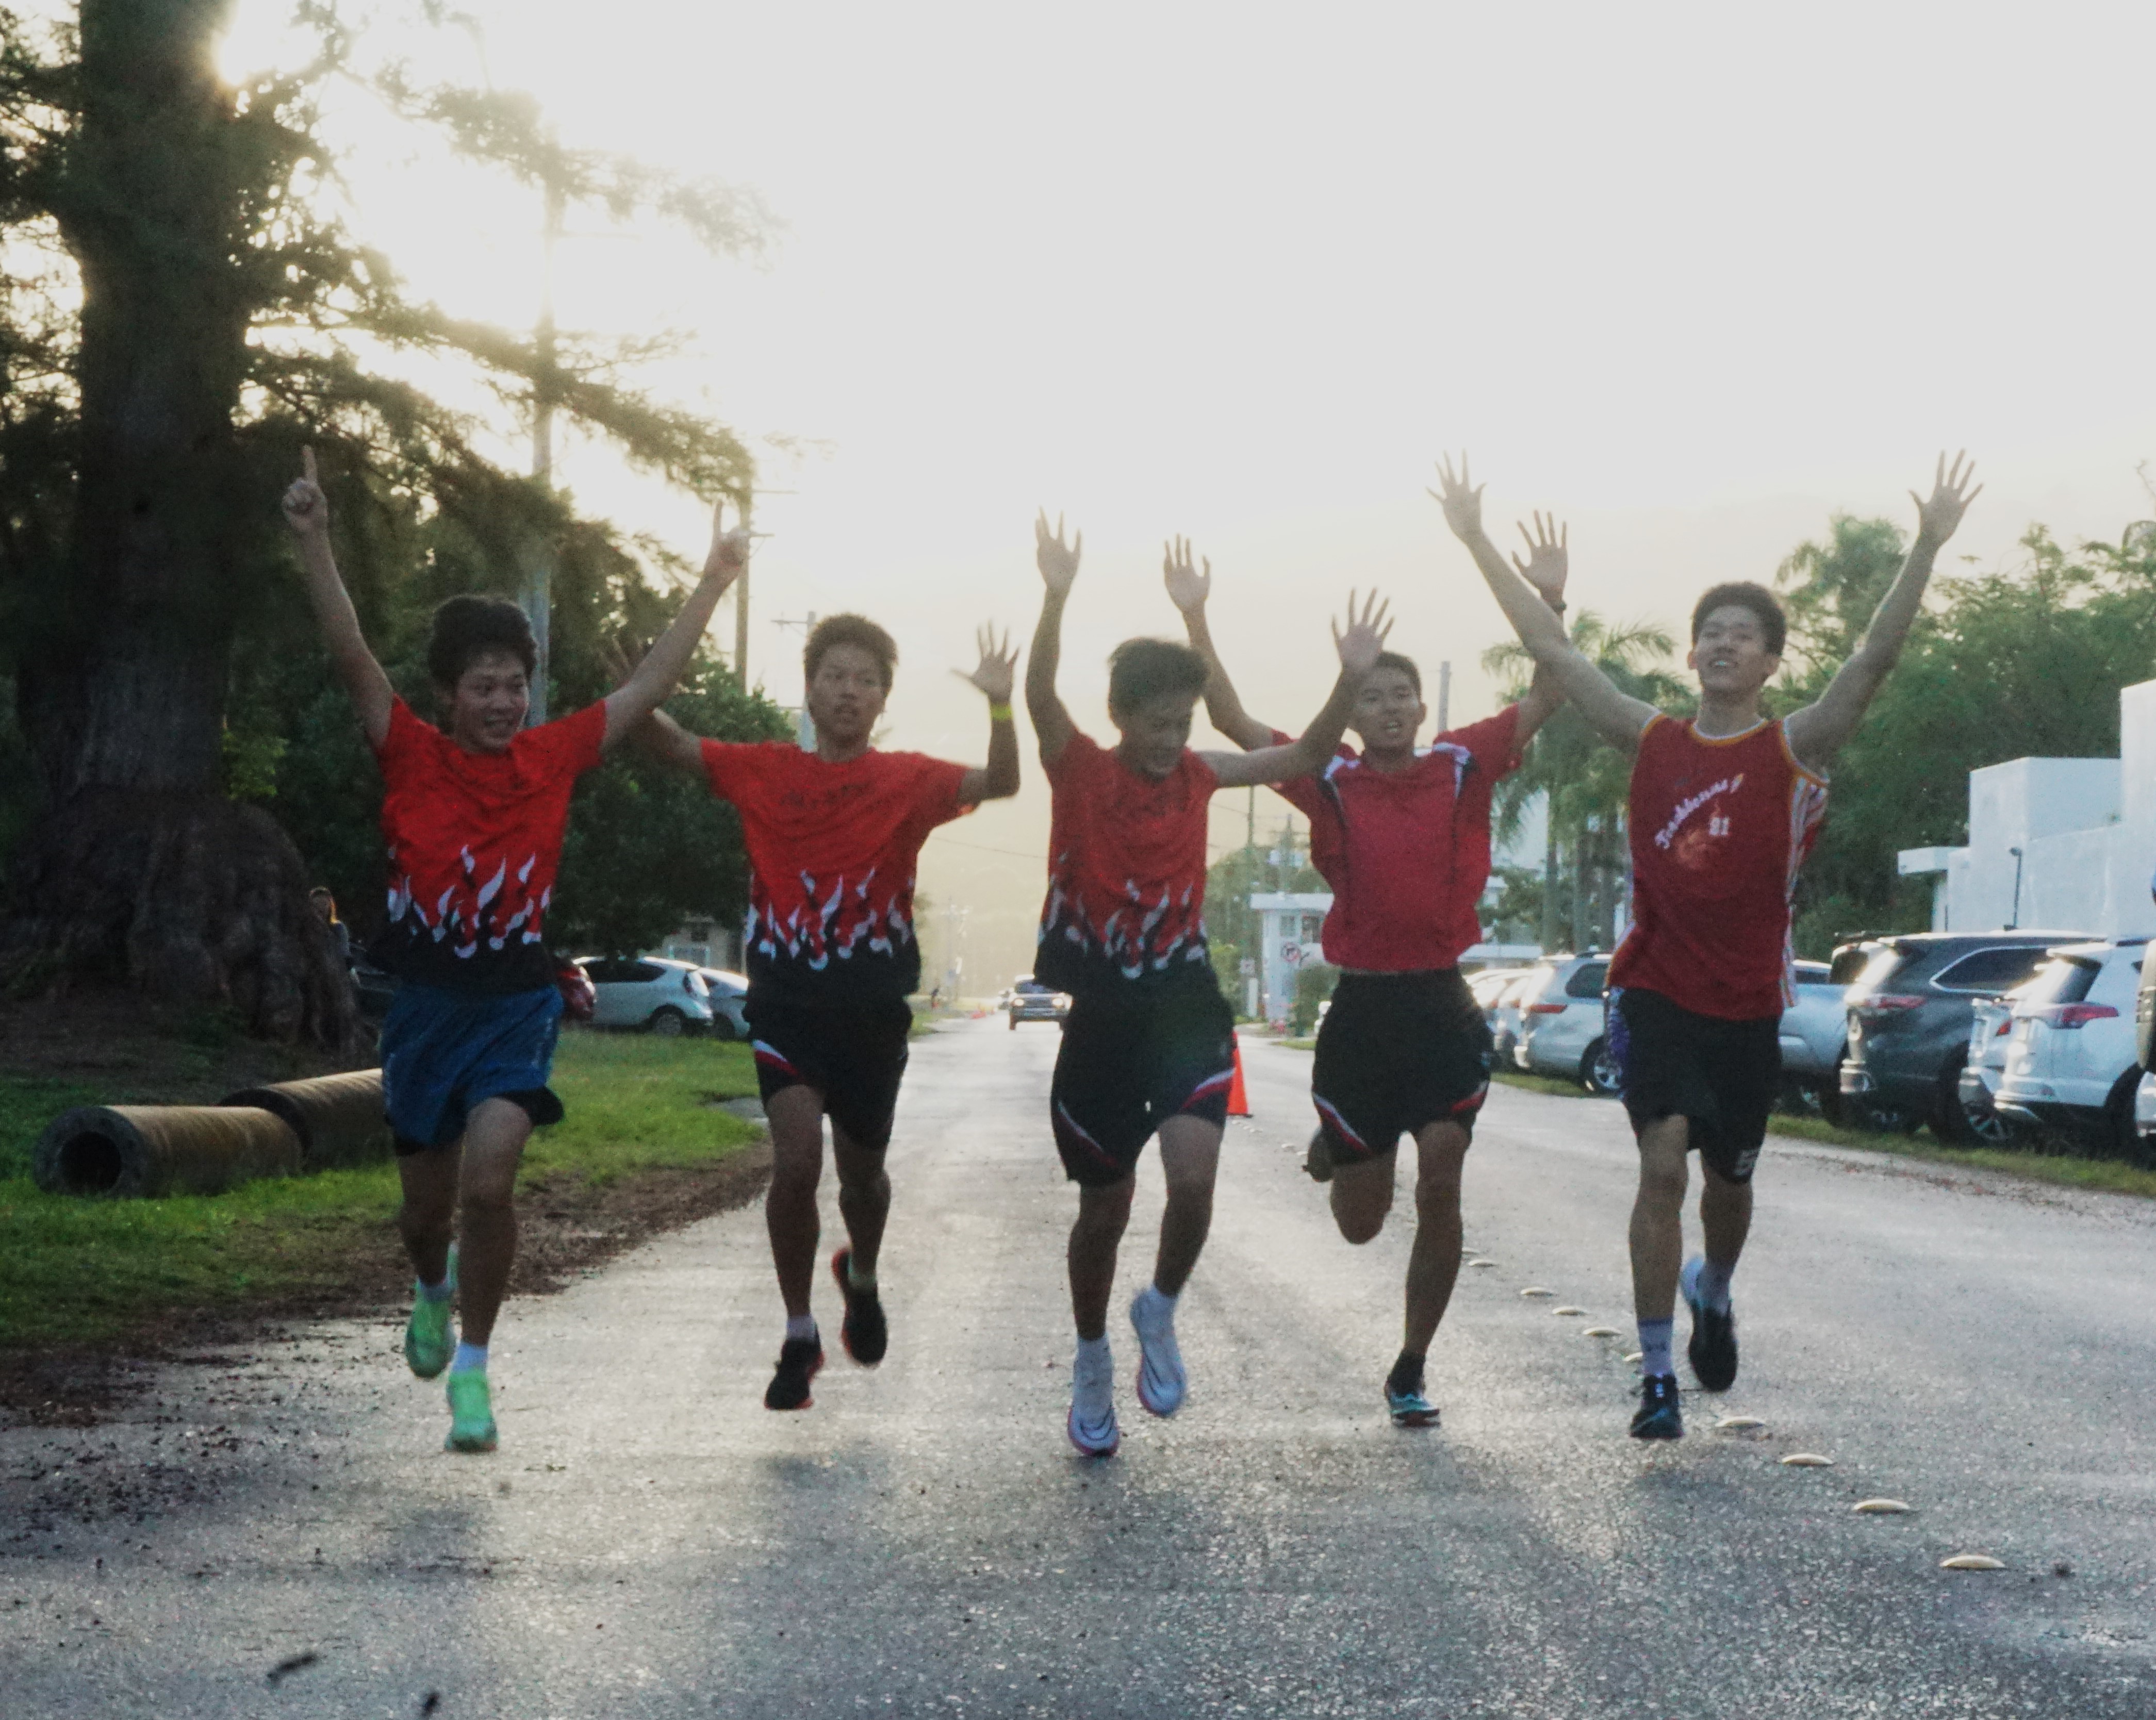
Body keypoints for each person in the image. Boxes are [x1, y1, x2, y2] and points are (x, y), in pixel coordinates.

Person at [1434, 451, 1981, 1440]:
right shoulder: (1648, 740)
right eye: (1710, 635)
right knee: (1662, 1163)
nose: (1723, 646)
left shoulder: (1789, 750)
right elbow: (1555, 658)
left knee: (1729, 1179)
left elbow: (1870, 664)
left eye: (1744, 636)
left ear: (1770, 661)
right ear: (1690, 657)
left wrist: (1927, 544)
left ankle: (1712, 1288)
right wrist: (1474, 536)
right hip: (1654, 992)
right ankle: (1653, 1379)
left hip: (1745, 1003)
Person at [283, 448, 745, 1453]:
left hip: (513, 1006)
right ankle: (431, 1289)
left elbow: (653, 683)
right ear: (450, 693)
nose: (505, 704)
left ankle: (478, 1371)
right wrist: (316, 540)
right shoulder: (407, 750)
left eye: (517, 686)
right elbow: (352, 652)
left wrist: (710, 584)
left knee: (491, 1182)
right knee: (424, 1214)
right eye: (485, 686)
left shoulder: (554, 755)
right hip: (424, 1014)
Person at [1167, 535, 1565, 1428]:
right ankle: (1338, 1145)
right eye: (1370, 696)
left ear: (1422, 708)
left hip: (1440, 1002)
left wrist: (1550, 599)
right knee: (1359, 1223)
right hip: (1362, 1011)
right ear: (1353, 710)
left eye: (1399, 696)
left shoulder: (1463, 763)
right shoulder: (1330, 776)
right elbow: (1231, 719)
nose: (1387, 709)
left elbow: (1551, 688)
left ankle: (1413, 1364)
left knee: (1444, 1178)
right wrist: (1194, 610)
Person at [1025, 511, 1389, 1457]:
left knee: (1191, 1187)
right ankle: (1092, 1355)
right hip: (1102, 1016)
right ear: (1120, 720)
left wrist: (1344, 677)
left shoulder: (1200, 775)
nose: (1170, 739)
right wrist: (1055, 594)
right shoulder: (1077, 770)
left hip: (1184, 1006)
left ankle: (1161, 1307)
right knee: (1102, 1211)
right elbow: (1035, 695)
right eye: (1156, 724)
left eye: (1181, 723)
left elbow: (1302, 758)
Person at [627, 617, 1021, 1410]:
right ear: (810, 687)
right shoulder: (764, 770)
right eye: (836, 675)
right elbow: (666, 744)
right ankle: (799, 1332)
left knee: (863, 1180)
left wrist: (1002, 708)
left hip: (871, 1014)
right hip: (787, 1008)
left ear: (882, 699)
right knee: (797, 1162)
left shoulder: (908, 779)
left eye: (866, 680)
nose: (850, 690)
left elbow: (1003, 782)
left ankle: (862, 1274)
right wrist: (641, 687)